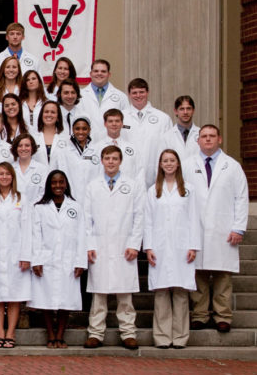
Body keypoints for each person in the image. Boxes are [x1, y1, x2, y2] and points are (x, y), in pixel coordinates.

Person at [185, 125, 249, 333]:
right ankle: (200, 315)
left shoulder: (232, 166)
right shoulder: (187, 166)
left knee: (223, 276)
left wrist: (238, 228)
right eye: (204, 136)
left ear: (219, 139)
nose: (208, 140)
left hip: (224, 228)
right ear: (198, 141)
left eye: (212, 136)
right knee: (199, 275)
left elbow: (241, 198)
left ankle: (223, 316)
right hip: (197, 227)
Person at [83, 146, 144, 350]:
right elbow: (86, 218)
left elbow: (139, 217)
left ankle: (128, 333)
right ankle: (95, 333)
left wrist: (135, 244)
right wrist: (89, 244)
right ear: (101, 160)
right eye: (107, 158)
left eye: (114, 158)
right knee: (98, 295)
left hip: (124, 246)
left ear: (120, 161)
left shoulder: (133, 186)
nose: (111, 162)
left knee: (125, 295)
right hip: (99, 246)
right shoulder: (92, 186)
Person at [144, 150, 201, 349]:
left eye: (172, 161)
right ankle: (161, 337)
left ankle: (180, 337)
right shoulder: (153, 190)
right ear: (160, 165)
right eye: (165, 161)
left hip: (181, 246)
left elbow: (194, 218)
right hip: (159, 246)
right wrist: (148, 246)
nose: (168, 164)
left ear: (178, 164)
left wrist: (194, 245)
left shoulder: (188, 189)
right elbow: (148, 221)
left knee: (180, 292)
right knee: (161, 293)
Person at [29, 171, 87, 349]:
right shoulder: (39, 207)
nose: (58, 186)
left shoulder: (75, 207)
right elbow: (35, 235)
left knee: (66, 299)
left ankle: (60, 335)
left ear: (66, 184)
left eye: (61, 182)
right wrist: (36, 260)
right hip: (47, 259)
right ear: (48, 185)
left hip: (68, 260)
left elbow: (81, 235)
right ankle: (51, 335)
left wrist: (80, 262)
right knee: (46, 299)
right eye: (54, 183)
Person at [0, 162, 32, 349]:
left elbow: (27, 228)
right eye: (1, 174)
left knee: (14, 295)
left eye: (7, 174)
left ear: (13, 177)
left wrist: (26, 255)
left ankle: (10, 333)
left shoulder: (22, 199)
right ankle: (0, 334)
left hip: (16, 254)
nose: (4, 177)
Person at [122, 78, 172, 168]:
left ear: (148, 92)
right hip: (127, 168)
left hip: (155, 170)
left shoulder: (163, 118)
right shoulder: (121, 117)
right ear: (129, 94)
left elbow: (169, 148)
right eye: (134, 93)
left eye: (141, 92)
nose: (138, 95)